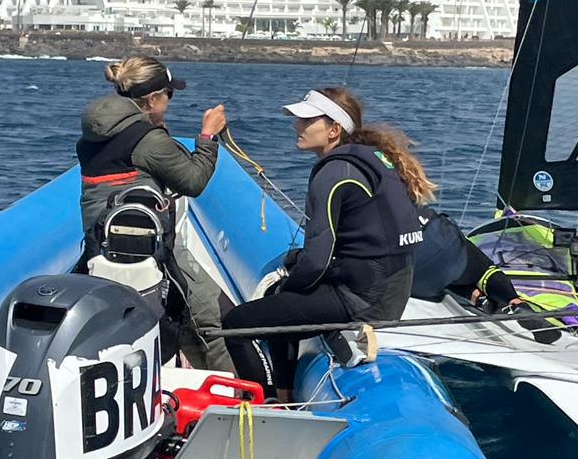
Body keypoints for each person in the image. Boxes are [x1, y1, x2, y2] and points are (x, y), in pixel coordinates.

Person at [221, 87, 429, 400]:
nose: (298, 126)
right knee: (282, 305)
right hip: (391, 293)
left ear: (333, 130)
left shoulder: (333, 173)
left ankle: (262, 406)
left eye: (307, 121)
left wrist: (290, 287)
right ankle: (285, 394)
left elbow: (317, 260)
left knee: (237, 324)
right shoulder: (373, 160)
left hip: (360, 300)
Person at [76, 55, 235, 371]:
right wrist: (208, 138)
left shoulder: (96, 133)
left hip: (101, 245)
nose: (171, 100)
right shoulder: (147, 140)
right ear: (152, 99)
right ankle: (233, 397)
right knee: (213, 319)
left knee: (183, 314)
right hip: (149, 251)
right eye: (168, 94)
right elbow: (192, 180)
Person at [411, 207, 561, 344]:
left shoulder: (390, 194)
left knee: (440, 277)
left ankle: (478, 298)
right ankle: (516, 303)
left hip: (417, 277)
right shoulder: (408, 188)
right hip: (447, 252)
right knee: (483, 271)